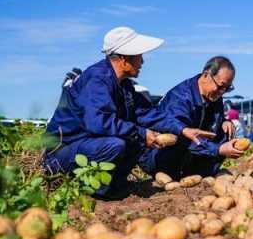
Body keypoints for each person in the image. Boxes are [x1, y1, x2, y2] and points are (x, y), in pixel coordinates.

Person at [43, 26, 165, 199]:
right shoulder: (97, 79)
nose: (143, 62)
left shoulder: (124, 86)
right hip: (61, 153)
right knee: (116, 144)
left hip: (86, 146)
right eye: (139, 56)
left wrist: (182, 129)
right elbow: (99, 123)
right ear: (123, 60)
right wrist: (141, 132)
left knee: (135, 140)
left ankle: (114, 186)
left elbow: (147, 114)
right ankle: (92, 193)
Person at [138, 56, 242, 178]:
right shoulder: (180, 98)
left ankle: (201, 174)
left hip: (191, 151)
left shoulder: (214, 96)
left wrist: (225, 121)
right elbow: (183, 136)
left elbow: (212, 124)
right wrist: (218, 149)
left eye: (227, 89)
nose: (222, 92)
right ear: (206, 75)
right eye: (220, 86)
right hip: (159, 155)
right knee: (176, 139)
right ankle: (169, 175)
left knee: (226, 131)